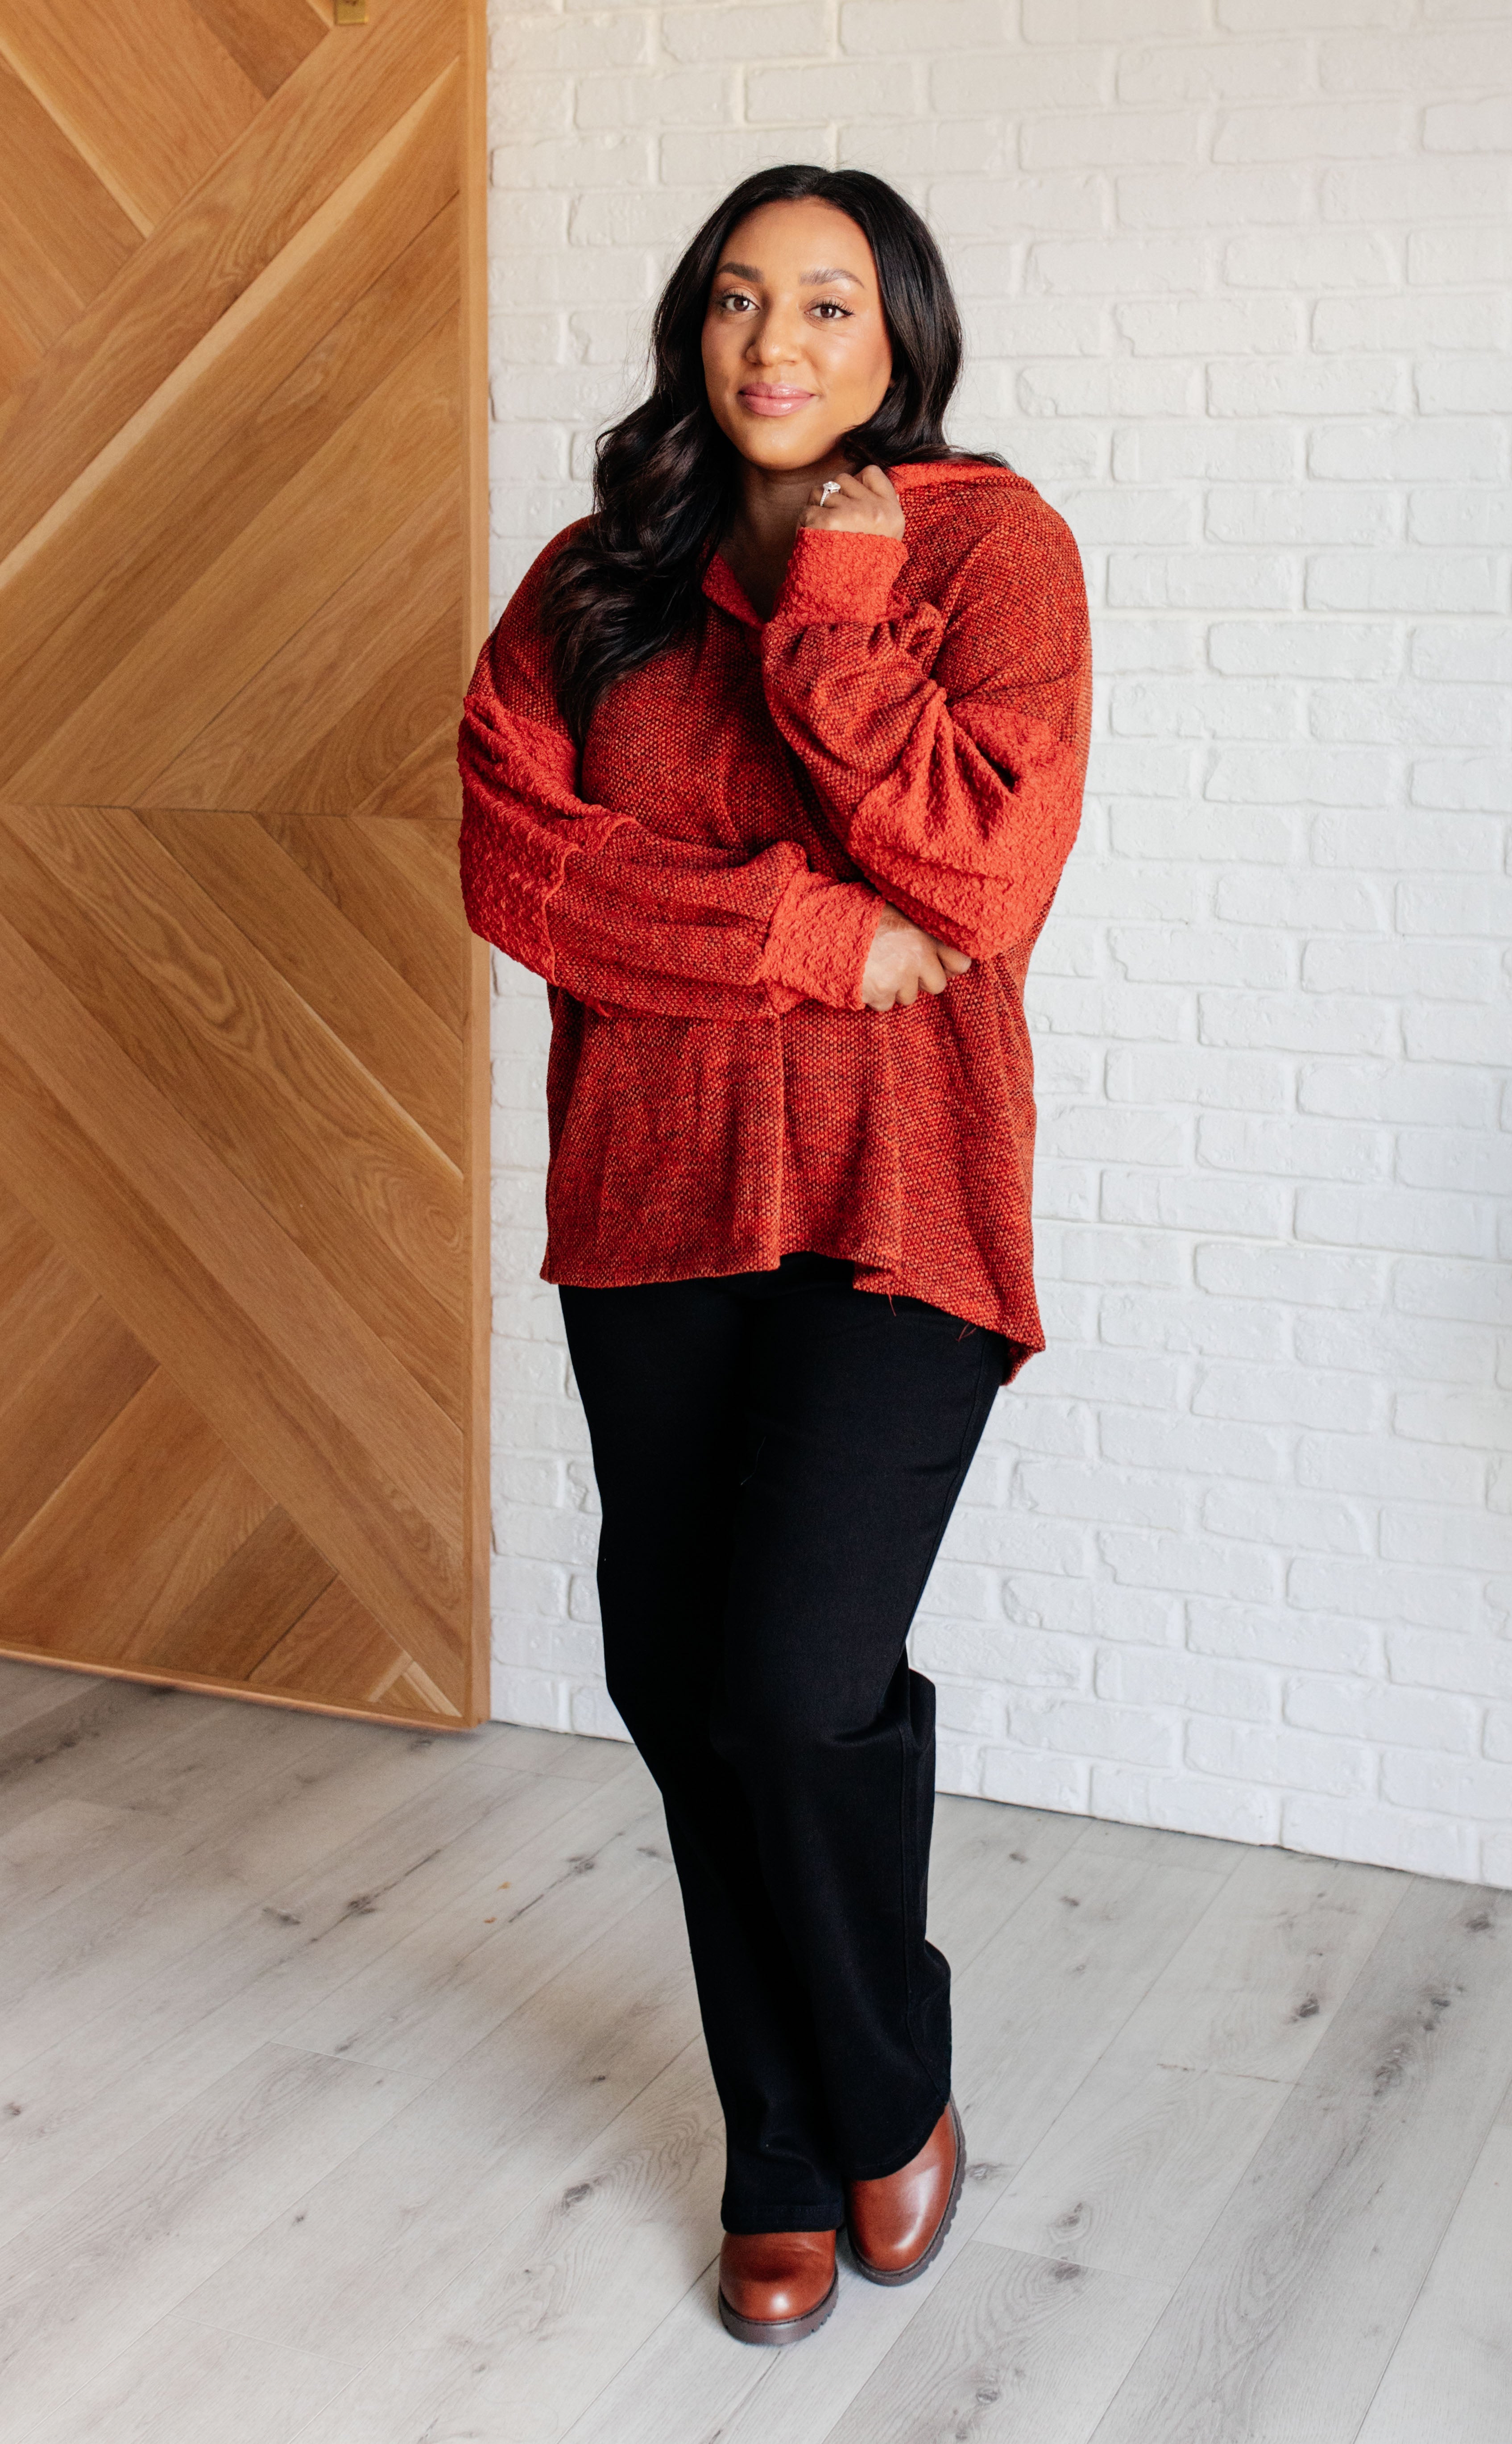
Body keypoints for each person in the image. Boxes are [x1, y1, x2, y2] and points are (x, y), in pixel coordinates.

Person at [459, 162, 1091, 2348]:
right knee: (679, 1680)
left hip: (902, 1202)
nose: (775, 342)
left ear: (899, 332)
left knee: (795, 1681)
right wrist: (813, 934)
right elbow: (522, 868)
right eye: (737, 298)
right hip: (650, 1196)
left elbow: (984, 874)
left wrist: (833, 613)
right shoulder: (596, 575)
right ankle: (783, 2148)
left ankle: (883, 2081)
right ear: (690, 326)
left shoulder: (987, 548)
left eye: (826, 302)